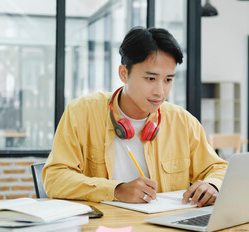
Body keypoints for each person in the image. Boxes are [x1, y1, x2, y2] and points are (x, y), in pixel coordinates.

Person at [43, 27, 228, 207]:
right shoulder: (82, 112)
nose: (160, 91)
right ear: (124, 73)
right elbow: (55, 177)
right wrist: (116, 190)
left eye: (168, 80)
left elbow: (218, 168)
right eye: (150, 79)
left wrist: (212, 185)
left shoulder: (183, 121)